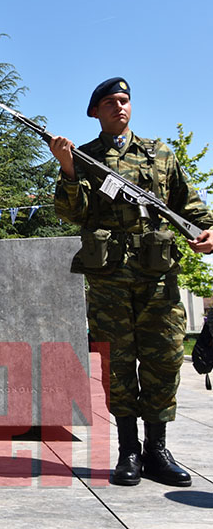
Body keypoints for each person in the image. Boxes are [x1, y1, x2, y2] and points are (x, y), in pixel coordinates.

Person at [49, 77, 213, 487]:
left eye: (124, 101)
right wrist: (68, 171)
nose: (119, 107)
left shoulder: (160, 154)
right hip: (109, 278)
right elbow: (72, 213)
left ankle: (157, 450)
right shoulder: (85, 158)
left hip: (158, 275)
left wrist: (209, 230)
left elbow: (190, 205)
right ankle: (129, 452)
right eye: (109, 102)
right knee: (117, 365)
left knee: (164, 359)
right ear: (95, 112)